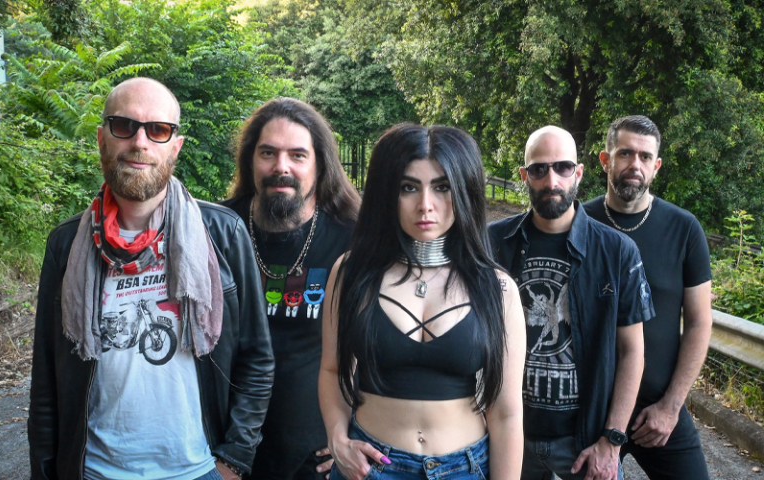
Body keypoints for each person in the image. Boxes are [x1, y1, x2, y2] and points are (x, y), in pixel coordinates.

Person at [28, 77, 275, 480]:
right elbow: (46, 383)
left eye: (158, 129)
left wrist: (234, 458)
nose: (140, 142)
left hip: (199, 470)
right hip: (96, 471)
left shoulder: (222, 234)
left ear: (175, 146)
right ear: (102, 139)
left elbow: (257, 359)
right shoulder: (65, 244)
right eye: (124, 125)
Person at [319, 124, 526, 480]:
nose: (425, 205)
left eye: (442, 187)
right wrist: (337, 438)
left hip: (464, 470)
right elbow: (332, 369)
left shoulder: (499, 289)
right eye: (408, 187)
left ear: (464, 191)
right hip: (368, 467)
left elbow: (506, 413)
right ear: (387, 193)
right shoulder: (352, 272)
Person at [489, 126, 652, 480]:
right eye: (539, 169)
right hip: (507, 433)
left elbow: (632, 352)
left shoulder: (617, 252)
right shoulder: (494, 243)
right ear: (524, 176)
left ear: (578, 173)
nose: (552, 181)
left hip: (585, 441)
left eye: (562, 167)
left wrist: (612, 439)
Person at [222, 97, 361, 479]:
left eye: (297, 155)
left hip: (313, 456)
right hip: (224, 448)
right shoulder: (217, 229)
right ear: (250, 160)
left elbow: (379, 344)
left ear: (320, 165)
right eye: (268, 153)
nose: (281, 167)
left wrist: (354, 430)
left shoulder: (352, 238)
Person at [584, 115, 713, 480]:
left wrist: (671, 406)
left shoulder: (684, 229)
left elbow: (700, 322)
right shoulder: (579, 223)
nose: (635, 165)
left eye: (645, 157)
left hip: (658, 409)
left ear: (656, 166)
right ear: (605, 160)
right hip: (591, 411)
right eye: (625, 153)